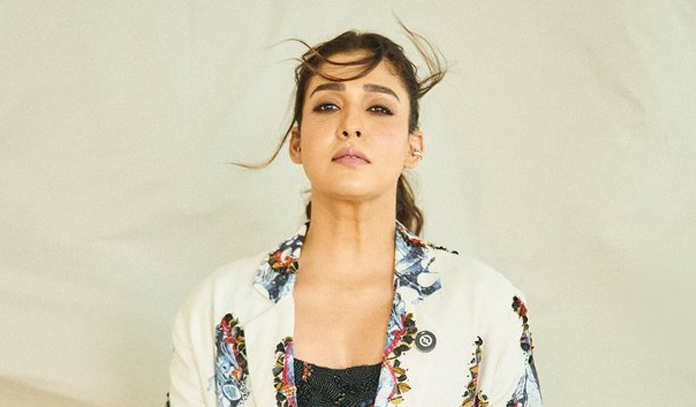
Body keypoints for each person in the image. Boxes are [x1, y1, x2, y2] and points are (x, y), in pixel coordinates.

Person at [168, 26, 544, 407]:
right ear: (297, 142)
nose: (351, 125)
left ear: (413, 147)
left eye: (379, 108)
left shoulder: (488, 306)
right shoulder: (216, 309)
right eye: (327, 106)